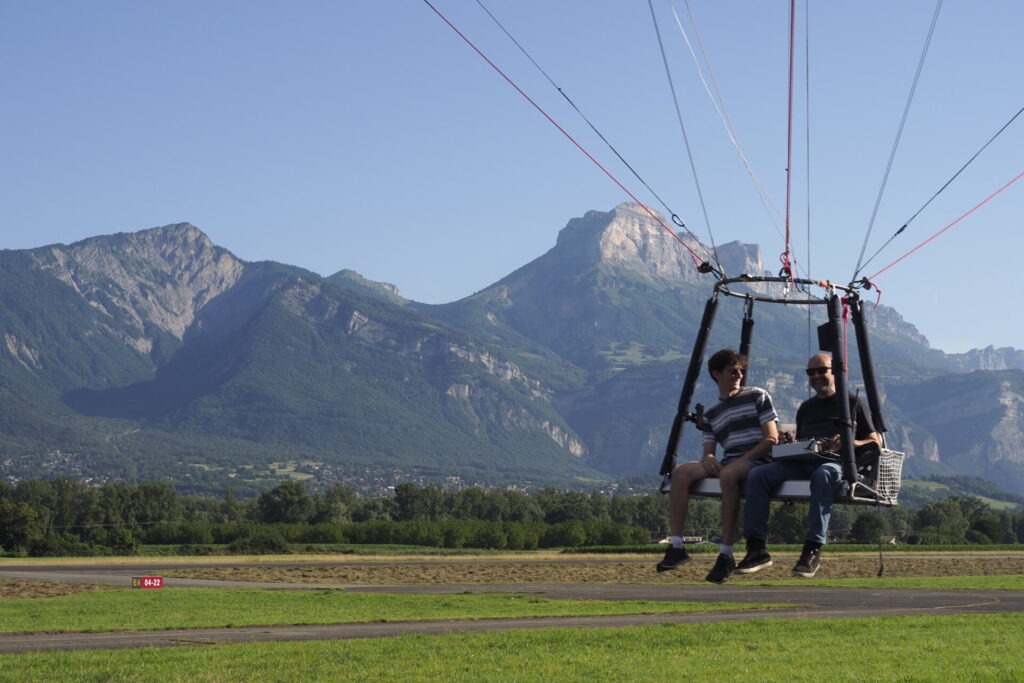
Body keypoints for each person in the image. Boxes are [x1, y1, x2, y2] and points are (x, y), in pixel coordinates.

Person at [737, 353, 882, 578]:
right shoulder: (806, 407)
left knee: (823, 474)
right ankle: (756, 547)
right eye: (811, 372)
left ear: (834, 372)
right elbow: (804, 442)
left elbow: (876, 440)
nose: (816, 376)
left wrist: (851, 442)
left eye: (821, 370)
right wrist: (790, 443)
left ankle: (812, 549)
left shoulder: (852, 403)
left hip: (837, 464)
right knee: (758, 475)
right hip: (802, 463)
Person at [656, 348, 779, 583]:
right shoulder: (712, 413)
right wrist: (709, 458)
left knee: (728, 475)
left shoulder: (757, 396)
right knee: (680, 473)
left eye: (741, 371)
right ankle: (677, 546)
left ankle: (726, 552)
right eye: (733, 371)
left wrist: (742, 460)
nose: (739, 375)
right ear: (717, 374)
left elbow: (771, 439)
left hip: (758, 459)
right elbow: (709, 450)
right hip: (731, 460)